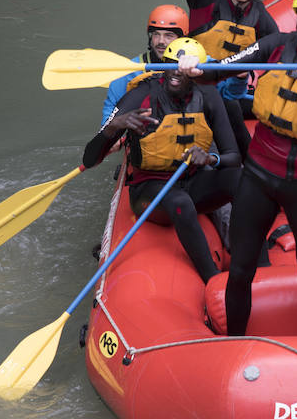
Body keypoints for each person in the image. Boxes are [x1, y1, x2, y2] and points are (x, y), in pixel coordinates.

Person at [183, 0, 297, 337]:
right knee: (241, 269)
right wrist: (198, 67)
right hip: (257, 177)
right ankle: (234, 343)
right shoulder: (276, 45)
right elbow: (225, 68)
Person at [83, 38, 240, 284]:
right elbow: (89, 159)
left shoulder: (208, 96)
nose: (175, 71)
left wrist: (211, 157)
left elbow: (233, 157)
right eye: (170, 64)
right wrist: (114, 126)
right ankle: (214, 282)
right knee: (181, 202)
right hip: (149, 191)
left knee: (243, 179)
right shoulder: (140, 95)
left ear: (197, 73)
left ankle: (258, 268)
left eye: (184, 68)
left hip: (192, 181)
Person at [171, 0, 281, 157]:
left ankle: (248, 163)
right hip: (192, 84)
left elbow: (279, 53)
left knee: (242, 107)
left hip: (231, 91)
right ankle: (241, 159)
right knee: (227, 108)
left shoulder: (261, 17)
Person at [100, 5, 189, 125]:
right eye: (156, 34)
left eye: (169, 35)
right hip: (147, 135)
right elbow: (111, 108)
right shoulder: (131, 70)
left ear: (182, 38)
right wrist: (110, 132)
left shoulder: (199, 63)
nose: (161, 41)